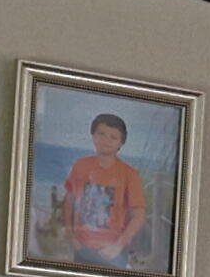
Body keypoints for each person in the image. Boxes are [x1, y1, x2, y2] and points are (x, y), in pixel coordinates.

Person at [60, 113, 149, 267]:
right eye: (101, 134)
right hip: (82, 246)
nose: (106, 140)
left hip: (112, 251)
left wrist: (118, 245)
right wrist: (71, 236)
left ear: (121, 143)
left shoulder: (129, 174)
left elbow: (138, 216)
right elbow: (69, 201)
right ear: (93, 136)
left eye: (113, 137)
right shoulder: (81, 165)